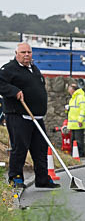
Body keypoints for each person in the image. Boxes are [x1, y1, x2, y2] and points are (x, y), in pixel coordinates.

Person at [0, 42, 59, 188]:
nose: (27, 55)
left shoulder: (34, 69)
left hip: (37, 117)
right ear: (16, 54)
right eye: (23, 52)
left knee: (40, 149)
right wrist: (14, 91)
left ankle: (42, 178)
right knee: (20, 147)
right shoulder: (9, 69)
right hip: (19, 115)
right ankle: (16, 178)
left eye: (29, 52)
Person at [66, 82, 85, 157]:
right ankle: (75, 153)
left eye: (69, 88)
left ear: (73, 89)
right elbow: (72, 110)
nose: (68, 90)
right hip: (73, 124)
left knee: (78, 140)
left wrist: (80, 120)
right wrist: (67, 109)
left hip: (78, 123)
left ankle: (80, 153)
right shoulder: (73, 98)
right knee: (73, 140)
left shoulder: (80, 97)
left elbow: (83, 109)